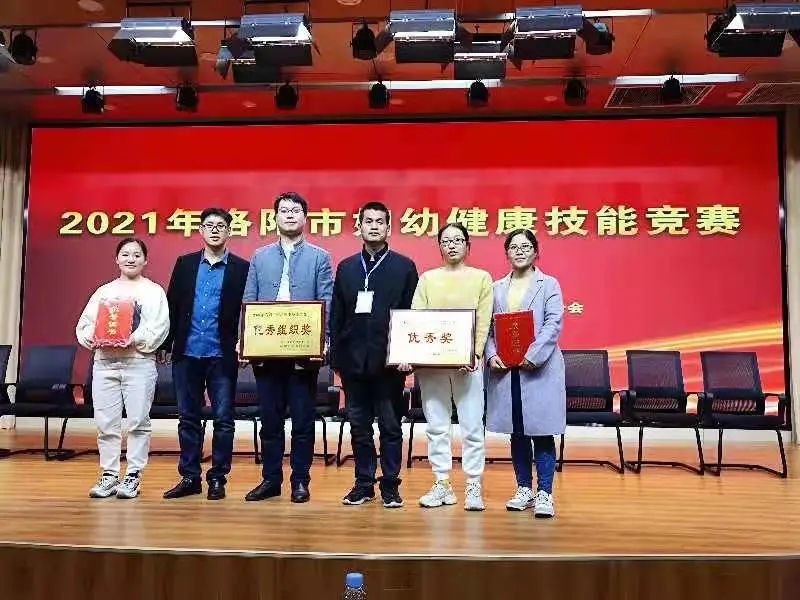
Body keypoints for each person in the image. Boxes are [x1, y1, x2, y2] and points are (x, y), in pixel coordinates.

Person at [242, 192, 333, 503]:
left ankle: (300, 481)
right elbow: (249, 299)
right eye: (284, 210)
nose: (290, 215)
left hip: (302, 350)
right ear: (275, 217)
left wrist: (322, 339)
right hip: (266, 349)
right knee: (270, 421)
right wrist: (244, 338)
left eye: (295, 210)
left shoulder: (319, 257)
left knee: (303, 421)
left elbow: (326, 300)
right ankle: (270, 480)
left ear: (305, 218)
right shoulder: (260, 257)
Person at [330, 201, 418, 509]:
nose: (374, 226)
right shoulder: (346, 267)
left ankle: (390, 486)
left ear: (389, 227)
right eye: (368, 221)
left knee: (391, 427)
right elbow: (337, 315)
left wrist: (408, 354)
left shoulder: (404, 267)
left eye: (380, 221)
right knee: (359, 427)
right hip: (353, 362)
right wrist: (336, 359)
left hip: (389, 363)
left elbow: (412, 314)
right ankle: (363, 484)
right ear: (359, 227)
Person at [160, 208, 250, 501]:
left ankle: (218, 478)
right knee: (188, 417)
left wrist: (246, 343)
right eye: (209, 225)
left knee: (223, 419)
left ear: (229, 232)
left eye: (220, 226)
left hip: (221, 354)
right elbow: (173, 305)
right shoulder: (185, 264)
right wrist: (166, 344)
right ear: (200, 230)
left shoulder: (241, 268)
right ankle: (190, 477)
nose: (214, 230)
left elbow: (248, 309)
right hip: (187, 353)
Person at [76, 237, 169, 499]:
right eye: (125, 254)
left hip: (138, 363)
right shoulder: (104, 292)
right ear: (117, 259)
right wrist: (93, 337)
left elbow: (159, 327)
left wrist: (133, 338)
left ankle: (133, 475)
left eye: (137, 255)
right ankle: (109, 474)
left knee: (138, 421)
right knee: (106, 423)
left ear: (145, 260)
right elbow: (85, 325)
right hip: (105, 364)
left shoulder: (153, 292)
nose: (131, 259)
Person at [409, 223, 493, 511]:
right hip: (431, 366)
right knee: (436, 426)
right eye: (446, 241)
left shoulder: (481, 278)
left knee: (472, 426)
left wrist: (475, 354)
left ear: (468, 246)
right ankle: (442, 483)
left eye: (458, 240)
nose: (452, 245)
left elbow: (484, 320)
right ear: (440, 247)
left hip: (467, 365)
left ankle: (473, 484)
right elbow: (416, 319)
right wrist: (413, 354)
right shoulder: (428, 279)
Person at [485, 229, 565, 518]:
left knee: (541, 431)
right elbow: (487, 328)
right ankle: (524, 489)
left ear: (535, 252)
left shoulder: (549, 284)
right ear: (507, 253)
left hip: (539, 369)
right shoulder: (495, 288)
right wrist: (491, 355)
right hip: (507, 371)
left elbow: (553, 324)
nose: (519, 251)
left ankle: (545, 493)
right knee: (517, 432)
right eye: (514, 247)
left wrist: (533, 355)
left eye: (525, 246)